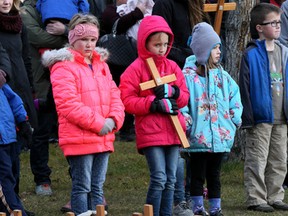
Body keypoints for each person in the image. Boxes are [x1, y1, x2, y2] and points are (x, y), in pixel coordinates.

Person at [41, 13, 125, 215]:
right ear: (72, 39)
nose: (89, 44)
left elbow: (115, 94)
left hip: (103, 135)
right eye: (83, 40)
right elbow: (68, 104)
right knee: (82, 186)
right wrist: (99, 123)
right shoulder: (63, 67)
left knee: (97, 187)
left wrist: (114, 119)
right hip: (80, 137)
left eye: (92, 39)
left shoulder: (101, 65)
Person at [119, 15, 189, 216]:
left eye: (165, 44)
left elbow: (184, 96)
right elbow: (127, 100)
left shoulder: (172, 67)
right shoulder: (135, 69)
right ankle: (152, 213)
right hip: (151, 133)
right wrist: (153, 104)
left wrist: (173, 92)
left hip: (174, 130)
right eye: (157, 44)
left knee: (171, 179)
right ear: (144, 42)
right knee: (159, 177)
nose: (161, 48)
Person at [181, 22, 243, 216]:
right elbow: (182, 101)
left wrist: (234, 118)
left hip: (219, 137)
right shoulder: (189, 78)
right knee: (197, 174)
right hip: (199, 136)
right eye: (214, 48)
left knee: (214, 174)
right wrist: (187, 123)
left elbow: (235, 97)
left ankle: (216, 208)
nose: (218, 51)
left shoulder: (223, 77)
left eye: (219, 47)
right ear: (202, 51)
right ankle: (197, 206)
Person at [239, 2, 288, 213]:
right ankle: (256, 197)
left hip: (281, 117)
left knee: (279, 159)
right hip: (260, 117)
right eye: (273, 23)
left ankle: (275, 195)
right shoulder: (250, 54)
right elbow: (245, 87)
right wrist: (248, 116)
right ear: (259, 27)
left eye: (279, 22)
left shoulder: (284, 52)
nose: (278, 26)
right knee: (257, 159)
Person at [20, 0, 68, 196]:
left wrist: (66, 29)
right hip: (42, 83)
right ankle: (42, 179)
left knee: (72, 132)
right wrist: (69, 37)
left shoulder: (67, 4)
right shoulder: (27, 9)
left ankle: (80, 177)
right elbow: (35, 36)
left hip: (67, 79)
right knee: (41, 133)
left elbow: (87, 30)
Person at [101, 0, 148, 142]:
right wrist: (137, 13)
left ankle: (127, 127)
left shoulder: (148, 10)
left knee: (131, 92)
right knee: (116, 94)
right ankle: (119, 126)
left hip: (134, 59)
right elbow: (117, 26)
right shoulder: (111, 10)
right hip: (115, 61)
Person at [0, 48, 33, 216]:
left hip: (10, 136)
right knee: (4, 177)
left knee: (12, 174)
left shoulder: (1, 81)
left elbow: (13, 99)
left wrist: (23, 121)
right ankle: (15, 210)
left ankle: (15, 206)